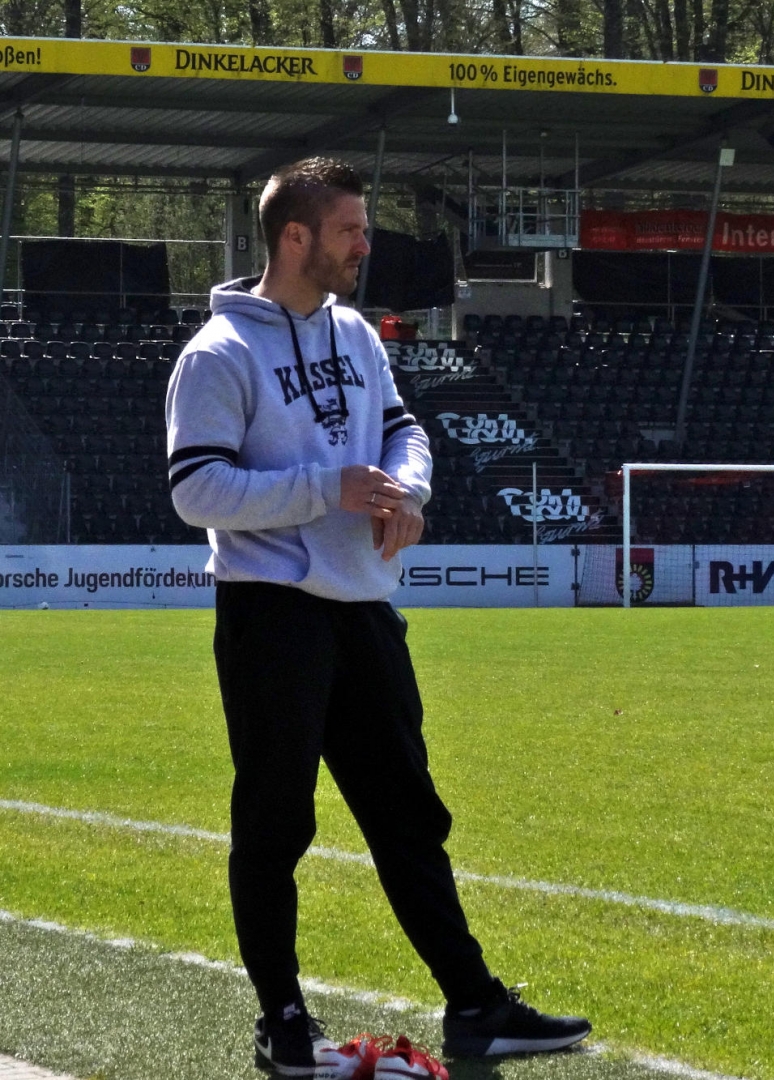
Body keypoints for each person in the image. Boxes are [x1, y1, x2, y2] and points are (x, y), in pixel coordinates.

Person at [165, 156, 591, 1076]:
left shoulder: (356, 332)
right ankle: (283, 1022)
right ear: (296, 237)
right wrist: (331, 487)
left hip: (363, 609)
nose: (366, 245)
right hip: (271, 613)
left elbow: (404, 429)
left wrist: (408, 491)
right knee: (275, 825)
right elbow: (196, 490)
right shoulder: (218, 353)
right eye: (352, 230)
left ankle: (475, 1006)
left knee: (409, 817)